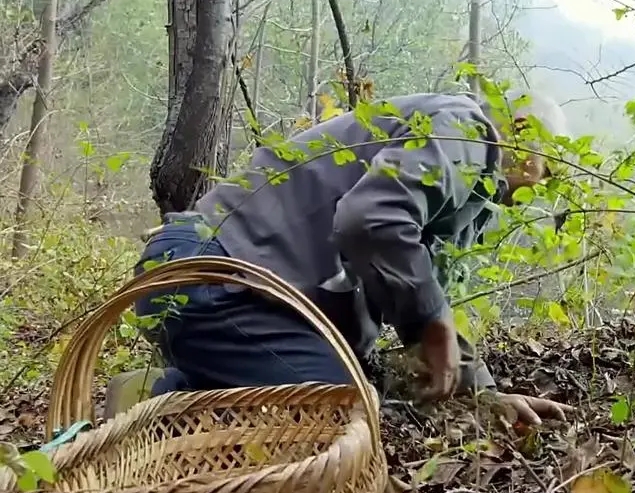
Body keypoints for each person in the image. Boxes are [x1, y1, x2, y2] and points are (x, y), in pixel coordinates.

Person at [135, 88, 574, 425]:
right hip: (212, 276)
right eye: (548, 170)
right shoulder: (465, 132)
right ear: (521, 130)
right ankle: (172, 397)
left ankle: (164, 400)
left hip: (229, 290)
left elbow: (419, 279)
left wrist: (482, 393)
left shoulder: (464, 178)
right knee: (348, 413)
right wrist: (429, 321)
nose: (541, 189)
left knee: (358, 391)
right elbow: (371, 219)